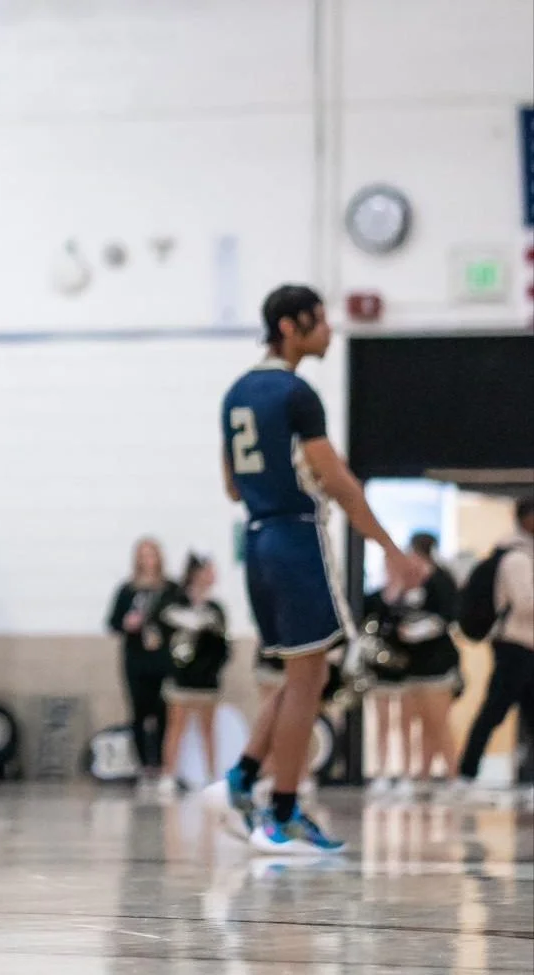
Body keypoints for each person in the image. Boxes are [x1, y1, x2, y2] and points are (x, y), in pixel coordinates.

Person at [204, 284, 424, 854]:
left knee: (301, 675)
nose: (329, 331)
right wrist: (391, 550)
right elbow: (337, 481)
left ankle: (241, 780)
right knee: (309, 679)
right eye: (319, 321)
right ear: (289, 327)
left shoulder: (236, 393)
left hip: (257, 539)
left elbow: (232, 487)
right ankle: (281, 813)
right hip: (296, 536)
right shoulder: (296, 393)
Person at [362, 533, 460, 800]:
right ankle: (420, 776)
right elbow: (384, 618)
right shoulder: (396, 590)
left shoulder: (440, 581)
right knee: (413, 722)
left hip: (436, 668)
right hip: (406, 668)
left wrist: (418, 631)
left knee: (436, 723)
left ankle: (452, 777)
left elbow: (447, 618)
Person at [455, 496, 534, 793]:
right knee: (494, 711)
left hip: (527, 647)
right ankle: (466, 774)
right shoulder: (517, 558)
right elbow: (526, 603)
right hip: (514, 647)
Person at [153, 554, 229, 795]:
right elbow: (162, 633)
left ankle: (211, 775)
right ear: (196, 573)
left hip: (207, 679)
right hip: (181, 676)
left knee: (208, 728)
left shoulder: (215, 609)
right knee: (176, 726)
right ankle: (168, 774)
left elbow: (222, 646)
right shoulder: (174, 603)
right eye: (208, 570)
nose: (212, 575)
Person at [105, 537, 177, 789]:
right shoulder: (128, 590)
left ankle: (162, 762)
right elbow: (112, 622)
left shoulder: (170, 590)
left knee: (163, 710)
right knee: (139, 710)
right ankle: (143, 764)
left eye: (152, 554)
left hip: (162, 658)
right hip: (136, 658)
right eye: (143, 555)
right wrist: (127, 624)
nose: (148, 560)